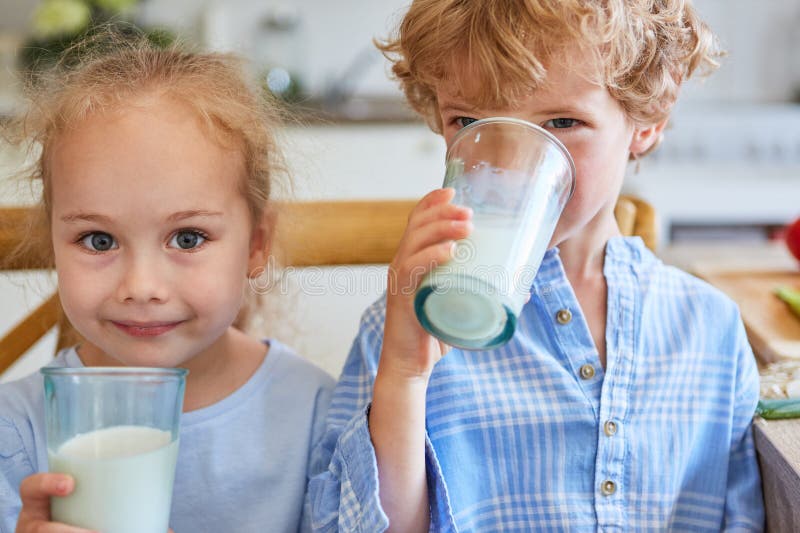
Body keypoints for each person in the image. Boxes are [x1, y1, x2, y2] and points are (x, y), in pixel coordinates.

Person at [307, 1, 764, 531]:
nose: (508, 166)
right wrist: (404, 377)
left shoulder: (710, 332)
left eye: (563, 122)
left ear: (647, 122)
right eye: (471, 122)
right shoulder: (399, 332)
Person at [0, 35, 333, 533]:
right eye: (97, 240)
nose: (141, 286)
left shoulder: (317, 415)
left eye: (188, 237)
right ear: (53, 242)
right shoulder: (16, 430)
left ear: (256, 245)